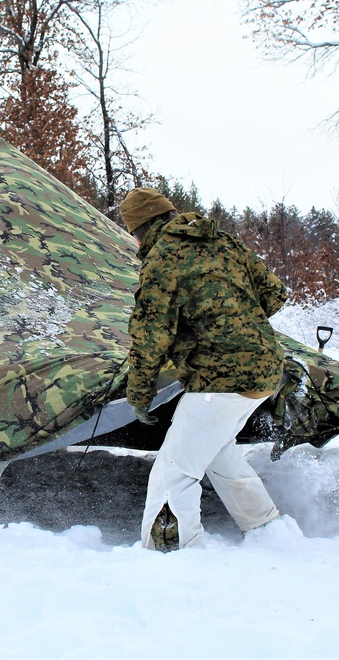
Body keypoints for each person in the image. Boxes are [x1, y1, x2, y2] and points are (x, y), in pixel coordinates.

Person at [119, 187, 288, 551]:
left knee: (172, 474)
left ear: (141, 229)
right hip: (265, 367)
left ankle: (172, 554)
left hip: (221, 379)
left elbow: (151, 337)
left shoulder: (162, 258)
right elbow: (274, 293)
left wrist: (139, 396)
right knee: (216, 451)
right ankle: (268, 530)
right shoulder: (224, 242)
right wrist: (234, 322)